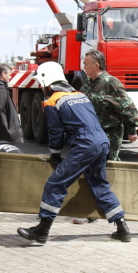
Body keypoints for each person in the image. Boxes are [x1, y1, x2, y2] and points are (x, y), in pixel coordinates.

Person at [16, 61, 130, 244]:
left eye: (41, 82)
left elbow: (55, 132)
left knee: (55, 184)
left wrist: (55, 155)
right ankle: (122, 228)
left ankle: (41, 231)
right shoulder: (80, 95)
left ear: (47, 81)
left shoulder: (52, 101)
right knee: (99, 184)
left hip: (85, 145)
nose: (40, 86)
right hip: (102, 142)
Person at [79, 50, 138, 161]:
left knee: (109, 164)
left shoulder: (111, 83)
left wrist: (131, 130)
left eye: (86, 64)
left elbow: (128, 107)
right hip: (92, 132)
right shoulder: (88, 82)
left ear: (96, 65)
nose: (84, 67)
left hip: (110, 133)